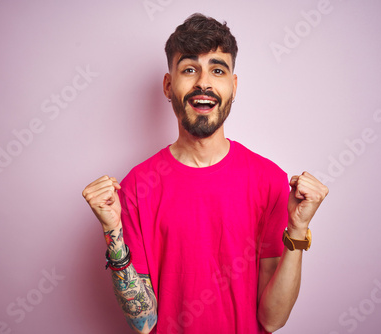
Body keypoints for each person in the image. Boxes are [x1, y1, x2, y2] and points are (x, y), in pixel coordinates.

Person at [82, 13, 328, 334]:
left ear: (233, 86)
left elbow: (273, 319)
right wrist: (112, 231)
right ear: (169, 86)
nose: (203, 82)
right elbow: (143, 323)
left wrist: (298, 228)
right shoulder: (136, 187)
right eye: (189, 69)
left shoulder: (269, 180)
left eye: (217, 70)